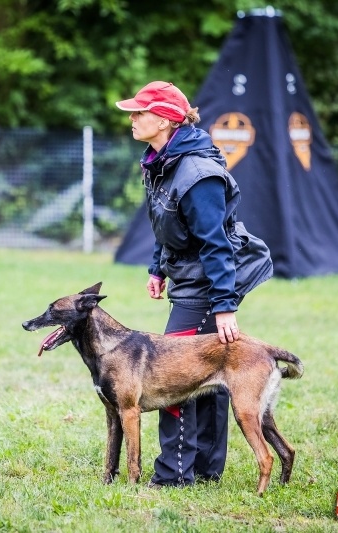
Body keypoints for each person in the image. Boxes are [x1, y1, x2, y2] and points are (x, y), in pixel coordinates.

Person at [116, 81, 273, 487]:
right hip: (188, 280)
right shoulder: (160, 159)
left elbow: (215, 244)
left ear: (166, 119)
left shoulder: (197, 173)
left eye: (139, 113)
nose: (132, 119)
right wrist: (157, 267)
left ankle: (174, 474)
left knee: (171, 376)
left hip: (207, 287)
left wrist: (224, 305)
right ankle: (205, 469)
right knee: (209, 378)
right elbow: (166, 224)